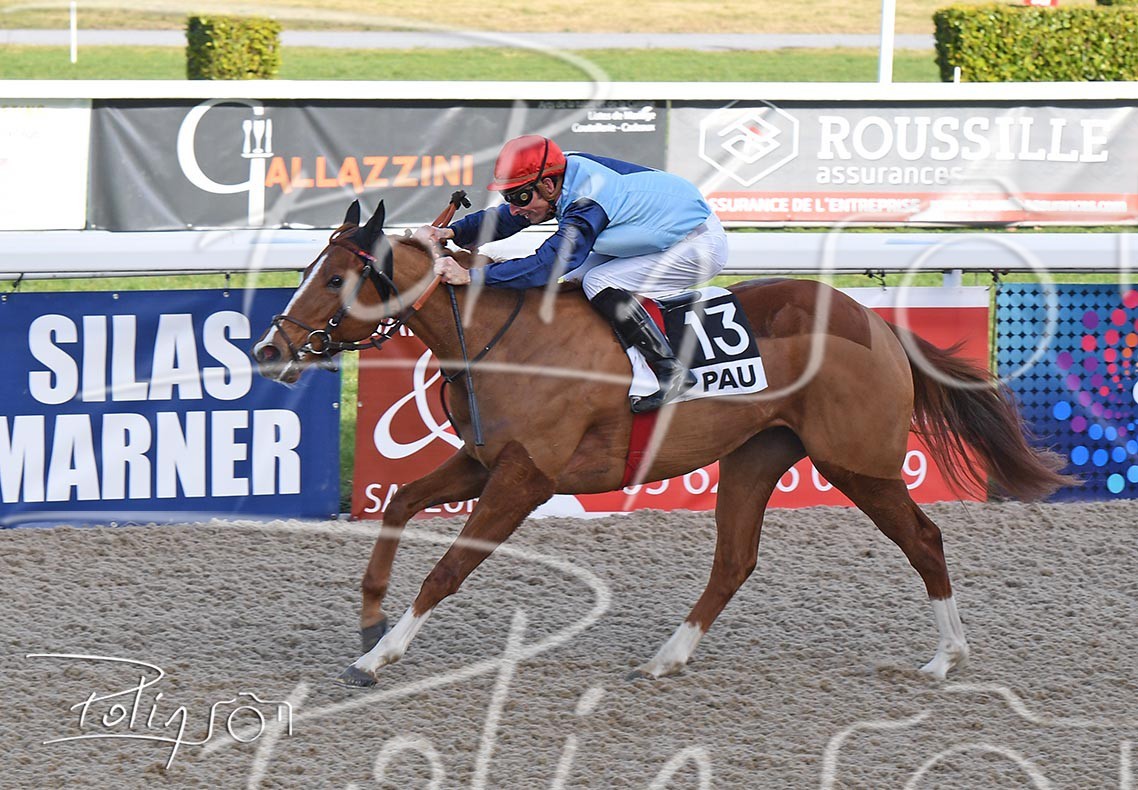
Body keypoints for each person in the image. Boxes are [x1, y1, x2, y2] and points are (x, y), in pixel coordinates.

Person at [415, 134, 728, 413]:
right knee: (577, 278)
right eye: (509, 196)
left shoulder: (585, 199)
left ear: (548, 185)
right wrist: (451, 232)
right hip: (659, 231)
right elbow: (510, 218)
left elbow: (547, 265)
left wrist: (473, 277)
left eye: (519, 197)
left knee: (598, 281)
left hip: (696, 245)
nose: (515, 206)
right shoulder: (556, 178)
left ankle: (672, 372)